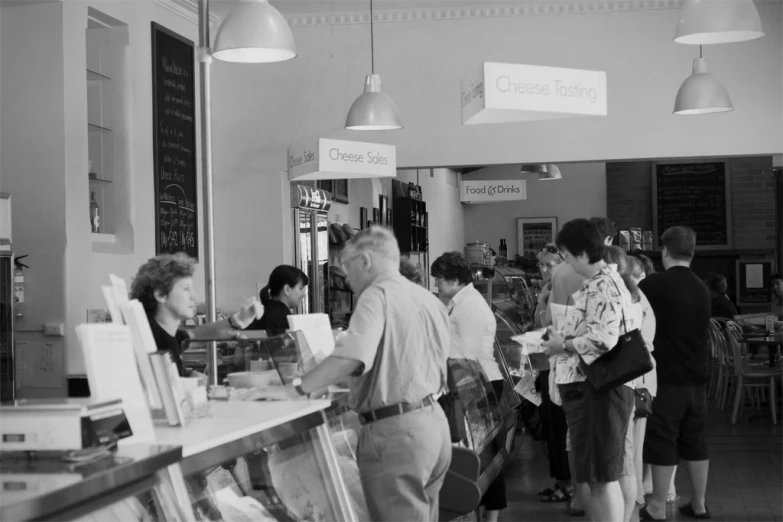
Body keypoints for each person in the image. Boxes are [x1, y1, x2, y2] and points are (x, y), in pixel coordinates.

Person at [286, 227, 452, 522]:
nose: (347, 279)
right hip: (434, 425)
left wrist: (297, 389)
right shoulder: (427, 298)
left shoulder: (376, 294)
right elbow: (400, 359)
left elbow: (353, 356)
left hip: (397, 433)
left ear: (365, 260)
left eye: (347, 267)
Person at [542, 219, 640, 522]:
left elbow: (603, 339)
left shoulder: (603, 285)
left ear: (583, 253)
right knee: (595, 476)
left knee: (602, 477)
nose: (566, 264)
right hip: (592, 391)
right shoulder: (601, 283)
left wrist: (564, 344)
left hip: (600, 391)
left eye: (568, 256)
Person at [638, 226, 711, 521]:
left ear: (664, 251)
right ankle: (699, 504)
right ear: (691, 252)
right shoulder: (702, 287)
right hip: (697, 375)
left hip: (666, 376)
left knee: (662, 438)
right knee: (695, 440)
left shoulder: (654, 285)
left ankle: (656, 505)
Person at [431, 252, 507, 522]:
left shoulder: (470, 306)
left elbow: (466, 353)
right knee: (479, 454)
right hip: (468, 382)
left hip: (478, 382)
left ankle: (491, 515)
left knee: (485, 456)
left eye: (439, 279)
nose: (436, 284)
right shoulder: (457, 302)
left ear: (454, 280)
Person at [129, 253, 262, 378]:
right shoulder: (154, 341)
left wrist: (239, 319)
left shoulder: (168, 333)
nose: (194, 296)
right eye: (186, 289)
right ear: (160, 295)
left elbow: (196, 334)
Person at [606, 247, 655, 520]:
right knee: (627, 455)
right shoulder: (633, 294)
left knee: (626, 458)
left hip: (626, 382)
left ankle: (628, 513)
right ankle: (630, 510)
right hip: (633, 381)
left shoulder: (624, 295)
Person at [545, 244, 589, 517]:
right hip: (591, 375)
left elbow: (555, 322)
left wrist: (564, 344)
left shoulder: (564, 274)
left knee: (573, 436)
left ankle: (578, 496)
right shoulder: (609, 282)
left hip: (575, 370)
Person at [531, 245, 574, 505]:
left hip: (559, 367)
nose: (544, 269)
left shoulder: (562, 289)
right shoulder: (547, 289)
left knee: (559, 427)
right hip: (546, 364)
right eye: (541, 265)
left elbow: (556, 328)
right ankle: (560, 479)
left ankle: (567, 483)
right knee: (551, 427)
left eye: (550, 264)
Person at [246, 265, 308, 331]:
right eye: (300, 288)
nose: (304, 294)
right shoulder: (286, 321)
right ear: (287, 289)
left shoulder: (258, 314)